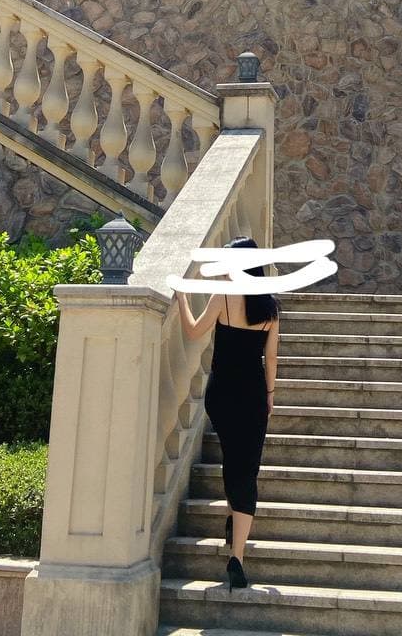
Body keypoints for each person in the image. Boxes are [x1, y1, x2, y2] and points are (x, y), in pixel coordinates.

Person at [174, 237, 280, 592]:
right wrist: (270, 396)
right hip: (253, 396)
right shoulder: (270, 307)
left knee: (233, 462)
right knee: (245, 470)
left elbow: (193, 331)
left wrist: (182, 297)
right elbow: (271, 358)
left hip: (222, 396)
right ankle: (237, 557)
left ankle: (234, 519)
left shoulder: (222, 297)